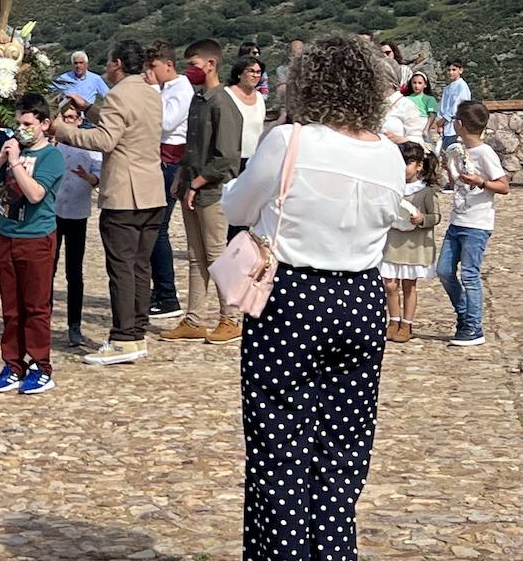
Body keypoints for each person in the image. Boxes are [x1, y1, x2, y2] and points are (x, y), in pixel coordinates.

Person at [222, 33, 404, 561]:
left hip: (294, 297)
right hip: (363, 299)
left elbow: (236, 208)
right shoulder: (390, 154)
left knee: (280, 443)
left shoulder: (289, 141)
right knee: (344, 447)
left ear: (308, 85)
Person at [54, 39, 166, 367]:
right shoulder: (149, 92)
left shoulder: (118, 94)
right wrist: (87, 108)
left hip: (125, 193)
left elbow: (105, 139)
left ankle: (122, 337)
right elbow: (123, 124)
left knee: (121, 266)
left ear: (117, 63)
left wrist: (63, 130)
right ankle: (138, 332)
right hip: (152, 190)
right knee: (141, 266)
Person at [0, 92, 65, 394]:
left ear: (43, 124)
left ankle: (41, 365)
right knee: (11, 307)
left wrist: (15, 164)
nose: (21, 128)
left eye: (27, 123)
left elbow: (36, 194)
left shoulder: (51, 156)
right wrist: (0, 158)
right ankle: (13, 363)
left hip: (36, 237)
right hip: (6, 236)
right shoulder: (9, 152)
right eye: (17, 123)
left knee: (36, 305)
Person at [162, 40, 244, 345]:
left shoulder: (223, 104)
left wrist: (197, 183)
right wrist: (182, 177)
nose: (189, 71)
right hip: (191, 186)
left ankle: (231, 317)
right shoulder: (198, 100)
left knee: (216, 255)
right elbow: (192, 146)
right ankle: (194, 318)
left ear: (210, 64)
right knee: (196, 257)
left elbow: (226, 157)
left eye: (193, 65)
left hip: (212, 191)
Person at [438, 100, 509, 347]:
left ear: (460, 124)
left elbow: (503, 186)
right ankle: (465, 315)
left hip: (477, 224)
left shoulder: (485, 153)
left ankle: (473, 327)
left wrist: (481, 182)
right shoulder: (458, 150)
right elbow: (457, 183)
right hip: (457, 220)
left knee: (469, 275)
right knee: (444, 270)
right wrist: (450, 168)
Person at [147, 41, 192, 322]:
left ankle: (167, 295)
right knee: (153, 228)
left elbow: (165, 122)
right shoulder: (166, 89)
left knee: (158, 228)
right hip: (159, 158)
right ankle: (159, 290)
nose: (150, 72)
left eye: (153, 67)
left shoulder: (181, 89)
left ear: (168, 65)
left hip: (171, 161)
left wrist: (150, 90)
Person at [51, 106, 100, 347]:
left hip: (77, 214)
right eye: (65, 117)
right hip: (53, 213)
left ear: (79, 120)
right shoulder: (52, 146)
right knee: (47, 270)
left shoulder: (89, 148)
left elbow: (98, 178)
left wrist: (88, 178)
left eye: (73, 117)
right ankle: (43, 320)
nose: (69, 121)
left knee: (74, 272)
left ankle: (74, 324)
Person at [383, 142, 440, 345]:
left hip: (413, 245)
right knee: (389, 284)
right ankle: (393, 320)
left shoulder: (425, 192)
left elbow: (436, 216)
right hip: (392, 241)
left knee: (408, 285)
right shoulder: (391, 188)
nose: (403, 167)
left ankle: (407, 323)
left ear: (419, 166)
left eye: (408, 163)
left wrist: (422, 219)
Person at [226, 56, 267, 172]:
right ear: (239, 73)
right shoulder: (227, 95)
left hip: (254, 158)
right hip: (232, 159)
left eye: (258, 72)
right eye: (251, 71)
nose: (255, 75)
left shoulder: (259, 97)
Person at [435, 60, 471, 152]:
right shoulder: (447, 89)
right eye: (449, 70)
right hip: (446, 129)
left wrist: (443, 119)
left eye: (454, 70)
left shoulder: (462, 86)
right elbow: (442, 106)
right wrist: (440, 123)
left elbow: (458, 106)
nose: (451, 72)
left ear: (460, 70)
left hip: (456, 128)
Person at [402, 72, 438, 141]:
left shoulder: (429, 99)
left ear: (425, 85)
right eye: (414, 83)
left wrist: (426, 129)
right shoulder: (406, 98)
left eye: (420, 83)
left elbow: (432, 115)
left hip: (422, 125)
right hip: (408, 125)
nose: (416, 86)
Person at [273, 39, 303, 109]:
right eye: (296, 53)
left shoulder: (310, 68)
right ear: (290, 55)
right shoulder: (282, 69)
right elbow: (282, 89)